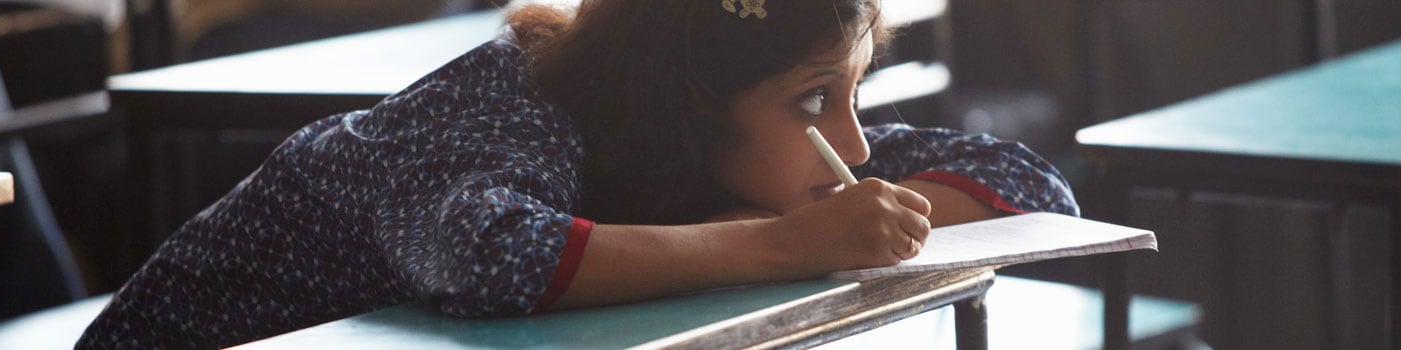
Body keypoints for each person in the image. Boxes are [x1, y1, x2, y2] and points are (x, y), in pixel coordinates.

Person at [77, 0, 1078, 348]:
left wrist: (829, 226)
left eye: (853, 95)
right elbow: (490, 254)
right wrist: (779, 242)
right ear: (690, 103)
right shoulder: (510, 102)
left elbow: (1026, 180)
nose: (853, 146)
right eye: (817, 100)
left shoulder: (744, 136)